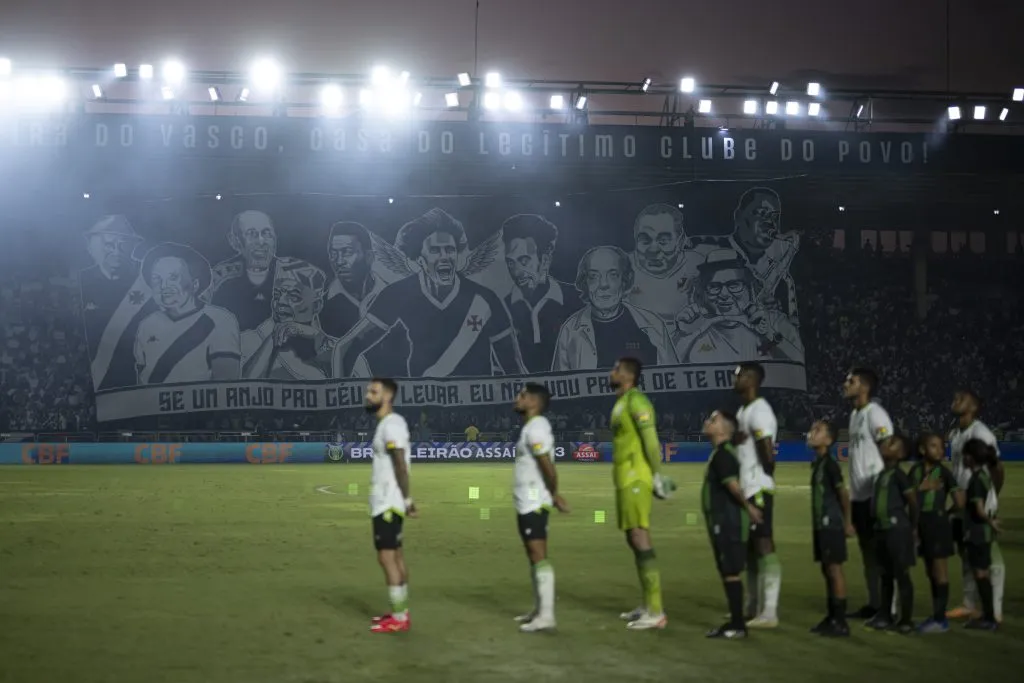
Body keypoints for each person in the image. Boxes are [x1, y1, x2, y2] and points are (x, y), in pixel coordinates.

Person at [332, 208, 523, 378]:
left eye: (450, 250)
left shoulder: (485, 299)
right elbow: (344, 348)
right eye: (435, 251)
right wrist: (340, 400)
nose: (444, 257)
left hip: (477, 404)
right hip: (425, 403)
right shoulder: (398, 294)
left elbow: (514, 370)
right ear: (419, 258)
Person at [609, 357, 674, 630]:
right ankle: (648, 604)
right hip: (625, 479)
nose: (611, 372)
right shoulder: (622, 402)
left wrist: (657, 474)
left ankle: (656, 611)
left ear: (627, 374)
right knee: (633, 538)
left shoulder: (637, 400)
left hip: (637, 477)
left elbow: (650, 439)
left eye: (615, 369)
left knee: (639, 536)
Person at [553, 246, 676, 371]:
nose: (603, 284)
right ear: (585, 282)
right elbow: (559, 382)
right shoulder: (570, 331)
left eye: (613, 275)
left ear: (625, 280)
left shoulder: (654, 326)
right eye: (594, 276)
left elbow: (676, 378)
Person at [134, 243, 241, 384]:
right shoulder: (147, 325)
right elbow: (141, 382)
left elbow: (226, 384)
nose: (164, 286)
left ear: (195, 284)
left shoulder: (220, 320)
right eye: (157, 279)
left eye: (173, 277)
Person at [511, 382, 569, 632]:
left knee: (538, 555)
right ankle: (539, 610)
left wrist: (554, 494)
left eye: (522, 395)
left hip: (534, 501)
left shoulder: (536, 427)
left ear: (534, 401)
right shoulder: (531, 427)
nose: (517, 398)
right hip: (528, 500)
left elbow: (546, 465)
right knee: (533, 556)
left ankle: (546, 616)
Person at [701, 409, 763, 640]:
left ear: (724, 430)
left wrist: (749, 508)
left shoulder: (723, 455)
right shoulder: (723, 453)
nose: (707, 421)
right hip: (725, 522)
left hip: (729, 522)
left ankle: (737, 625)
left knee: (730, 572)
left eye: (713, 419)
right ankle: (736, 622)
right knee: (728, 572)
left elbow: (733, 486)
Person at [948, 389, 1005, 623]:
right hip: (963, 503)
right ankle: (969, 604)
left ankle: (994, 610)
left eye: (961, 399)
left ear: (973, 407)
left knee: (990, 557)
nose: (955, 401)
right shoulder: (955, 433)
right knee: (967, 553)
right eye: (955, 398)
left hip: (979, 502)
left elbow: (996, 467)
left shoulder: (981, 433)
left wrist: (992, 496)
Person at [364, 378, 416, 634]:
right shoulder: (388, 424)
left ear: (387, 396)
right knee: (395, 556)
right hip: (389, 501)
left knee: (387, 557)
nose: (368, 395)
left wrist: (406, 499)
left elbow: (399, 463)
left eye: (373, 391)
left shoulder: (392, 424)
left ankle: (398, 618)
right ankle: (401, 613)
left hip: (388, 502)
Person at [732, 362, 781, 628]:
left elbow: (766, 449)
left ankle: (769, 612)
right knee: (751, 550)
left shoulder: (760, 410)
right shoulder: (744, 410)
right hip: (747, 488)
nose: (734, 379)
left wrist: (764, 476)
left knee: (764, 544)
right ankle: (751, 608)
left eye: (739, 375)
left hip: (757, 488)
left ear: (751, 380)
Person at [843, 367, 894, 620]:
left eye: (851, 381)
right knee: (868, 553)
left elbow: (889, 451)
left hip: (875, 494)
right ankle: (874, 604)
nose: (845, 384)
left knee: (882, 553)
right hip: (859, 496)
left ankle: (889, 608)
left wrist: (885, 491)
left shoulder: (875, 413)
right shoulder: (855, 415)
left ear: (864, 387)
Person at [501, 215, 580, 373]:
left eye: (524, 261)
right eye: (510, 262)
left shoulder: (578, 301)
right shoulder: (501, 309)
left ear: (545, 259)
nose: (516, 272)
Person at [910, 433, 964, 634]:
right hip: (922, 525)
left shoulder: (943, 473)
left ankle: (941, 620)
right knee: (931, 571)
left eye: (941, 446)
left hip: (937, 525)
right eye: (934, 446)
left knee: (939, 572)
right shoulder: (917, 471)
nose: (940, 450)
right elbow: (909, 498)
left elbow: (960, 501)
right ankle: (937, 616)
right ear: (922, 450)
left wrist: (944, 514)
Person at [865, 435, 917, 635]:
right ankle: (885, 615)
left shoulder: (899, 475)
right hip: (882, 529)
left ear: (901, 454)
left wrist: (913, 527)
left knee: (901, 574)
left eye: (893, 443)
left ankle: (906, 620)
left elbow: (913, 502)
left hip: (897, 530)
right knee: (885, 574)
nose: (886, 444)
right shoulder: (882, 474)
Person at [807, 420, 853, 637]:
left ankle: (841, 622)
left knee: (834, 570)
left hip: (831, 524)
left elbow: (843, 494)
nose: (811, 433)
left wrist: (848, 522)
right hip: (821, 525)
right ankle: (832, 616)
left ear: (828, 439)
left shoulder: (830, 465)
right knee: (826, 570)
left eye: (817, 430)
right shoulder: (818, 464)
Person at [960, 438, 1001, 631]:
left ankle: (989, 618)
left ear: (970, 457)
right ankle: (988, 616)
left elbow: (979, 509)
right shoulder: (984, 476)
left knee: (980, 575)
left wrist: (989, 522)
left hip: (977, 532)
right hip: (982, 532)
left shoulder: (976, 479)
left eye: (964, 455)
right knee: (981, 574)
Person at [321, 222, 385, 339]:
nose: (339, 261)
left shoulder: (391, 295)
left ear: (369, 257)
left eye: (347, 252)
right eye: (333, 254)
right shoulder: (321, 307)